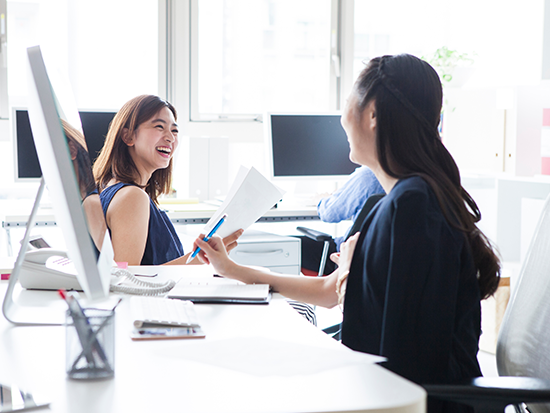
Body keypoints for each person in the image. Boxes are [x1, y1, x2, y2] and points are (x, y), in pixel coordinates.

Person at [191, 54, 501, 413]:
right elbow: (330, 293)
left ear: (372, 114)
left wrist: (352, 276)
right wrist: (232, 269)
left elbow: (402, 360)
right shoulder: (402, 201)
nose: (341, 117)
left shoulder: (412, 207)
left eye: (348, 99)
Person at [92, 95, 242, 265]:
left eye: (174, 130)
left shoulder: (114, 188)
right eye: (159, 127)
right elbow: (127, 280)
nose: (170, 137)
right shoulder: (132, 197)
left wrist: (203, 255)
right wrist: (198, 260)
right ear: (128, 136)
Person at [300, 165, 385, 275]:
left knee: (289, 245)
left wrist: (321, 200)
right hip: (383, 258)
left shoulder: (369, 174)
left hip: (349, 257)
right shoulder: (411, 175)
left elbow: (330, 214)